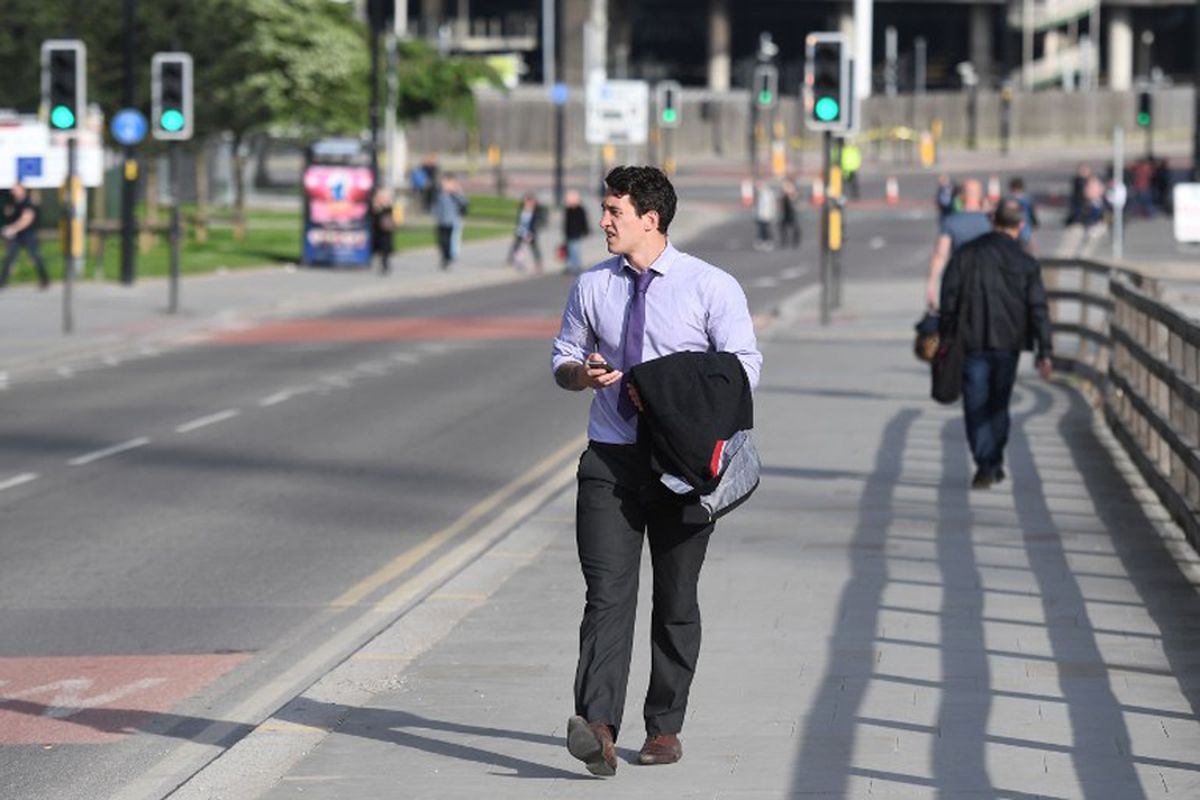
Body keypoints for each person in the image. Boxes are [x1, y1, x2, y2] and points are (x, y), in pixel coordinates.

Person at [551, 165, 762, 776]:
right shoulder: (593, 285)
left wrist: (662, 385)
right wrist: (580, 375)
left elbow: (744, 370)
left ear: (651, 217)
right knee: (606, 596)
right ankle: (597, 726)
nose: (604, 221)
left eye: (615, 211)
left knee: (675, 599)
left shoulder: (709, 287)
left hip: (684, 463)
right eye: (604, 208)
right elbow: (563, 358)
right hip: (611, 459)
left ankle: (665, 728)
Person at [938, 196, 1053, 490]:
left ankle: (986, 462)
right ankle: (992, 461)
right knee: (999, 405)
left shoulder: (966, 254)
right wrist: (1045, 350)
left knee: (975, 404)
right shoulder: (1026, 263)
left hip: (971, 340)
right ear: (1021, 225)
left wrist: (946, 335)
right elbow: (1038, 307)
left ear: (992, 220)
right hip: (1009, 344)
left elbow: (948, 297)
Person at [925, 178, 990, 309]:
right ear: (980, 196)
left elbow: (940, 254)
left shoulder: (951, 222)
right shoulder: (989, 222)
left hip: (959, 279)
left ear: (961, 197)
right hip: (987, 280)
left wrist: (931, 283)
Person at [1, 183, 50, 290]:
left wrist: (12, 229)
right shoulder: (13, 202)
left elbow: (26, 219)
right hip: (17, 236)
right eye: (13, 190)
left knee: (35, 257)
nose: (13, 191)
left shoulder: (28, 202)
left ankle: (45, 280)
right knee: (9, 257)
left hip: (29, 235)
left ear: (22, 190)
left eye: (16, 189)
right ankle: (2, 282)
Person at [432, 173, 467, 270]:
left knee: (451, 240)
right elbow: (435, 207)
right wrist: (436, 217)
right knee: (442, 241)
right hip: (441, 221)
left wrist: (456, 192)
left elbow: (464, 202)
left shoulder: (455, 194)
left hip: (452, 221)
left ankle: (449, 257)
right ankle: (445, 257)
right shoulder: (440, 194)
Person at [507, 192, 545, 272]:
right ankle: (515, 261)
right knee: (517, 247)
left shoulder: (536, 210)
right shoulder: (522, 208)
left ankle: (538, 264)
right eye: (526, 201)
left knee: (534, 248)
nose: (527, 203)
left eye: (529, 201)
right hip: (521, 231)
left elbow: (537, 222)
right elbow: (519, 220)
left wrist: (531, 233)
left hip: (530, 232)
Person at [1007, 177, 1039, 252]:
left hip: (1011, 232)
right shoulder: (1028, 200)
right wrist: (1035, 223)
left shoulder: (1008, 200)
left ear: (1011, 188)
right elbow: (1032, 215)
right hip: (1025, 231)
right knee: (1025, 251)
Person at [562, 189, 589, 275]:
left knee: (575, 249)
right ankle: (572, 266)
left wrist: (585, 230)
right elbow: (566, 222)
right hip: (569, 233)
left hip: (577, 232)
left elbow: (583, 221)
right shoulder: (568, 210)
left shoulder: (580, 209)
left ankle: (575, 265)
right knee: (571, 249)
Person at [370, 188, 396, 275]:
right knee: (377, 248)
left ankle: (385, 264)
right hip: (377, 230)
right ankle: (380, 262)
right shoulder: (375, 206)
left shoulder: (387, 205)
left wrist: (384, 205)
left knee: (385, 248)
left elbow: (390, 213)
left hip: (385, 230)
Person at [753, 180, 776, 251]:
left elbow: (771, 205)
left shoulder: (768, 194)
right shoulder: (760, 194)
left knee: (767, 230)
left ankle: (769, 243)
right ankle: (761, 242)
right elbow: (757, 206)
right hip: (760, 215)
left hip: (767, 215)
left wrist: (771, 214)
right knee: (761, 230)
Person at [778, 179, 800, 249]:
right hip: (785, 214)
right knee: (782, 227)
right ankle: (784, 241)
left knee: (795, 228)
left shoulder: (793, 195)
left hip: (791, 214)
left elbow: (795, 202)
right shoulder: (784, 196)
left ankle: (795, 241)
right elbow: (781, 205)